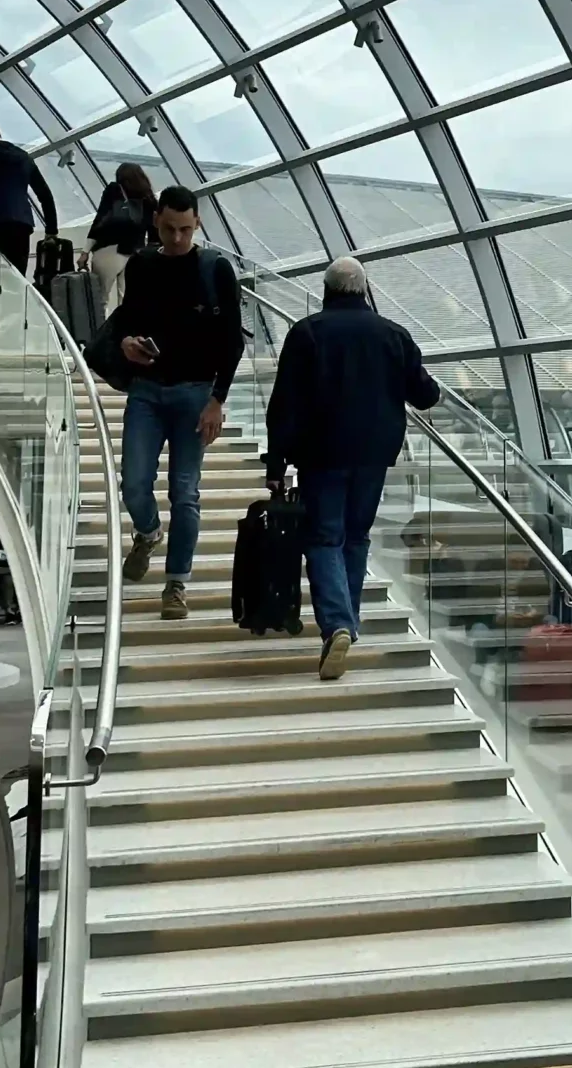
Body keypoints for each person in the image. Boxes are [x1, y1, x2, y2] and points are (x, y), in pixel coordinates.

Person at [266, 255, 441, 681]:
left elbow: (284, 404)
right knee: (355, 536)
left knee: (325, 538)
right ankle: (346, 623)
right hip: (374, 454)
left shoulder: (307, 333)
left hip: (321, 454)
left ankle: (338, 625)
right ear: (365, 291)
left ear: (326, 291)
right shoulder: (393, 335)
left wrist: (276, 461)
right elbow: (426, 395)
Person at [105, 187, 244, 622]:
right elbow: (126, 318)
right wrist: (126, 342)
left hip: (195, 393)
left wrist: (217, 400)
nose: (178, 237)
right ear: (156, 223)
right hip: (147, 389)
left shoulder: (215, 269)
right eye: (169, 229)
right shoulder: (143, 264)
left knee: (185, 492)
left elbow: (233, 342)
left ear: (197, 224)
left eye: (185, 229)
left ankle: (176, 583)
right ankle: (148, 533)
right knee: (133, 484)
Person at [0, 121, 58, 276]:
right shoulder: (24, 157)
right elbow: (44, 194)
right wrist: (51, 230)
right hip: (20, 225)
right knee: (16, 276)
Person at [87, 161, 158, 321]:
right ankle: (123, 338)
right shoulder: (149, 199)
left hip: (109, 250)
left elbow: (99, 219)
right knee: (128, 302)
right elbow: (155, 233)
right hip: (135, 253)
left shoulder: (114, 190)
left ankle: (99, 338)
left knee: (100, 301)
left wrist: (85, 251)